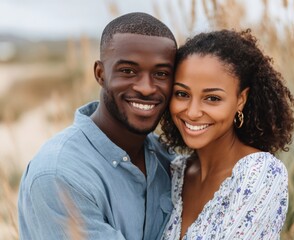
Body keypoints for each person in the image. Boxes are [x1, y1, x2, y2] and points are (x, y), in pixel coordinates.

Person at [18, 12, 177, 240]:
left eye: (161, 74)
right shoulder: (59, 174)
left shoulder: (167, 159)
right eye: (128, 71)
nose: (146, 88)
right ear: (100, 74)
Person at [159, 29, 294, 239]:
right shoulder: (174, 172)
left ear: (240, 100)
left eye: (212, 98)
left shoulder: (260, 174)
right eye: (182, 94)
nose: (192, 111)